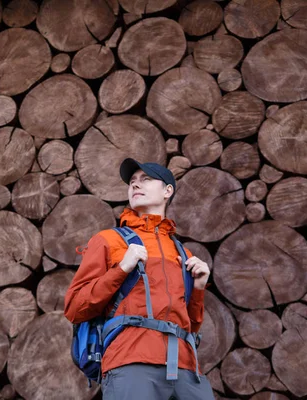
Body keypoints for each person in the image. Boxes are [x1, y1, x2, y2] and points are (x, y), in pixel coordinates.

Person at [64, 158, 215, 400]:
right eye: (132, 181)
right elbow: (74, 308)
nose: (136, 185)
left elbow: (190, 326)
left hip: (185, 369)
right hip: (131, 363)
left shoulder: (181, 253)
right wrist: (122, 268)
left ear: (168, 191)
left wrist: (198, 288)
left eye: (146, 179)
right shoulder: (109, 241)